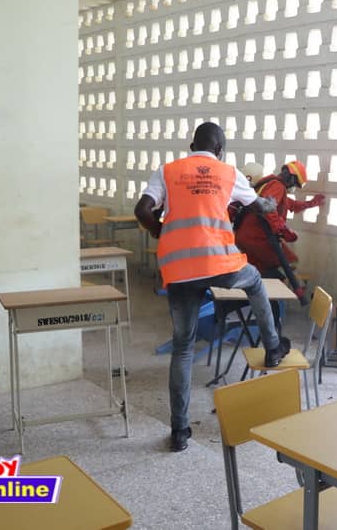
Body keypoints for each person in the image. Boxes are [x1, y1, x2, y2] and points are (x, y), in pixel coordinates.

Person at [135, 122, 291, 452]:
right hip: (219, 263)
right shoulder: (228, 173)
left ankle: (179, 431)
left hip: (178, 269)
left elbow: (143, 210)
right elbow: (258, 206)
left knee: (183, 347)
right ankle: (273, 345)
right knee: (254, 283)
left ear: (192, 145)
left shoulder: (168, 171)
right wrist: (269, 204)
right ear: (221, 150)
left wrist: (158, 231)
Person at [234, 161, 325, 280]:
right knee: (289, 262)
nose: (294, 188)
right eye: (296, 184)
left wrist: (311, 203)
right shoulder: (277, 186)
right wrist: (282, 229)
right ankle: (281, 293)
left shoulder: (269, 183)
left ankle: (266, 296)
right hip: (257, 239)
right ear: (292, 178)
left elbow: (291, 204)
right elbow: (268, 209)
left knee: (261, 271)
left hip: (245, 237)